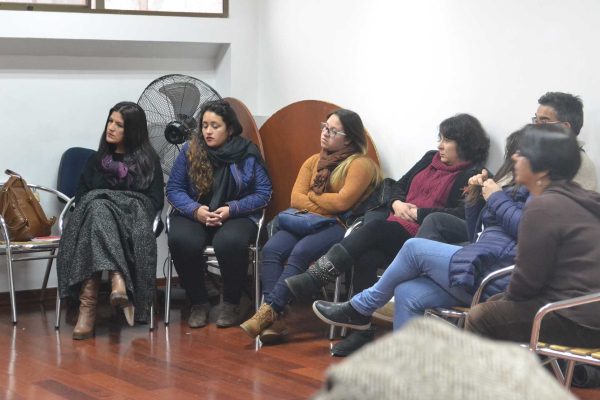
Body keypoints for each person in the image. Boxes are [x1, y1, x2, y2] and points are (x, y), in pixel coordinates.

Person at [311, 127, 530, 352]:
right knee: (406, 290)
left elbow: (527, 230)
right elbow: (477, 234)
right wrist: (475, 199)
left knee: (411, 247)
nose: (512, 161)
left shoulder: (543, 195)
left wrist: (496, 198)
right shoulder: (510, 189)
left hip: (494, 277)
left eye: (518, 154)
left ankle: (359, 305)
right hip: (479, 261)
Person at [285, 113, 489, 354]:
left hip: (423, 238)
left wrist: (418, 213)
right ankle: (360, 331)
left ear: (464, 144)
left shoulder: (474, 175)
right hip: (395, 226)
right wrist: (396, 203)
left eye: (447, 140)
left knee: (374, 228)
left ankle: (317, 277)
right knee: (366, 256)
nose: (440, 146)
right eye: (440, 138)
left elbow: (463, 217)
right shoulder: (429, 159)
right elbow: (396, 185)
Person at [240, 109, 381, 343]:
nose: (325, 133)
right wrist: (324, 203)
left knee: (301, 251)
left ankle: (268, 312)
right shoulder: (313, 161)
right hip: (304, 221)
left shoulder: (361, 165)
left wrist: (313, 197)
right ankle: (274, 317)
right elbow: (296, 198)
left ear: (349, 139)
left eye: (333, 131)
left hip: (337, 225)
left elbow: (342, 203)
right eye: (325, 127)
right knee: (271, 249)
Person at [465, 125, 600, 347]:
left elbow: (526, 283)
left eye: (523, 153)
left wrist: (503, 301)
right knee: (495, 305)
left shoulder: (543, 206)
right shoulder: (581, 197)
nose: (515, 157)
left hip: (576, 320)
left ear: (543, 167)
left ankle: (476, 372)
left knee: (481, 317)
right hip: (586, 312)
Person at [57, 101, 164, 340]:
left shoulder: (149, 161)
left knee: (99, 209)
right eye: (110, 121)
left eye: (119, 125)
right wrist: (105, 202)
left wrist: (117, 203)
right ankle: (117, 279)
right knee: (97, 208)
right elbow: (82, 196)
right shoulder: (97, 160)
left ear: (133, 130)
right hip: (97, 221)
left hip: (131, 221)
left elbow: (156, 200)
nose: (111, 128)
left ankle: (87, 311)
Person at [167, 100, 272, 329]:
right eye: (205, 125)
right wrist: (195, 210)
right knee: (181, 239)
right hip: (196, 212)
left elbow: (263, 193)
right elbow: (174, 189)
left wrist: (232, 209)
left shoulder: (246, 153)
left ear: (230, 128)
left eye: (215, 126)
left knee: (230, 241)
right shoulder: (190, 150)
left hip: (236, 214)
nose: (208, 131)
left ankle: (232, 303)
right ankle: (198, 302)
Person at [533, 91, 597, 190]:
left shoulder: (579, 165)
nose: (535, 127)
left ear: (565, 127)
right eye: (536, 120)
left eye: (544, 121)